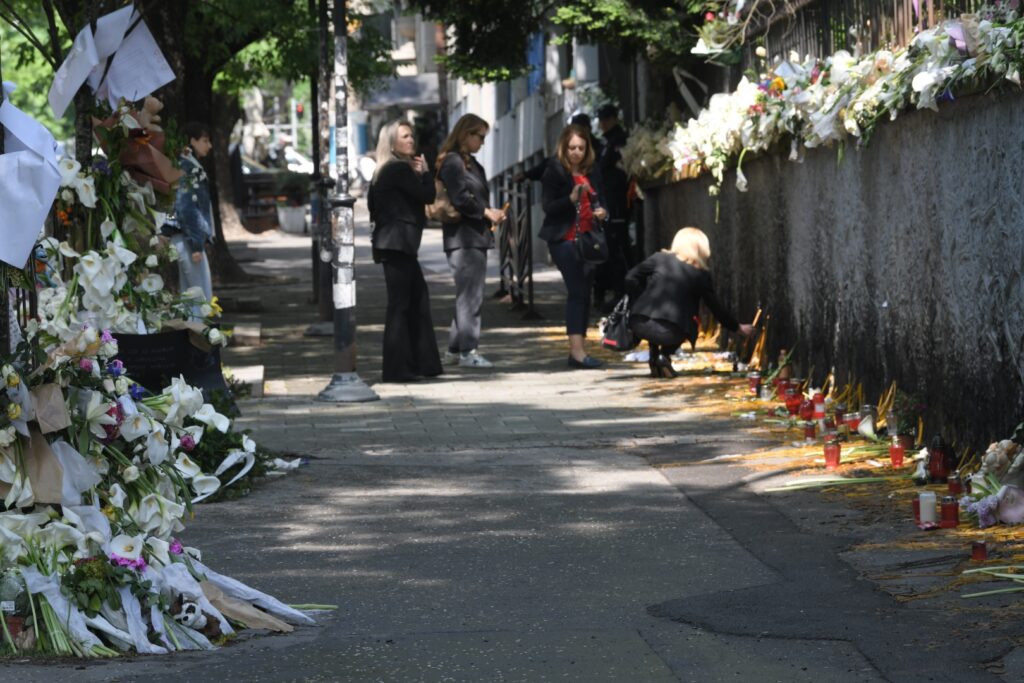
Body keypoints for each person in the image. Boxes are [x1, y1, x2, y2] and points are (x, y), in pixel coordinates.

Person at [367, 120, 443, 383]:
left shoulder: (383, 171)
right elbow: (427, 196)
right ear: (392, 143)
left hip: (397, 245)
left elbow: (373, 206)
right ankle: (399, 369)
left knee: (416, 300)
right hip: (397, 244)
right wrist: (425, 173)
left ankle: (420, 364)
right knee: (401, 305)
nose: (412, 140)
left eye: (412, 136)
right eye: (405, 136)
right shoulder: (398, 170)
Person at [625, 227, 755, 378]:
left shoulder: (658, 258)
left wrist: (642, 299)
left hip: (638, 324)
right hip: (670, 333)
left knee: (658, 320)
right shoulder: (699, 274)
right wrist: (737, 327)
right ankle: (664, 355)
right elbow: (715, 308)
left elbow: (630, 278)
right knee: (691, 321)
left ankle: (655, 357)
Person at [436, 114, 506, 368]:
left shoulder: (469, 163)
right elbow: (460, 197)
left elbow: (472, 197)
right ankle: (469, 351)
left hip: (473, 236)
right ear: (466, 134)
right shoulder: (454, 162)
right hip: (463, 238)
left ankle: (456, 349)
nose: (482, 142)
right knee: (471, 297)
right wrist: (487, 212)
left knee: (467, 295)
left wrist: (490, 213)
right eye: (480, 136)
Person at [539, 123, 608, 370]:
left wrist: (602, 212)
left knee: (585, 293)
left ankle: (578, 349)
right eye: (571, 148)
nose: (576, 152)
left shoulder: (593, 170)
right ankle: (577, 352)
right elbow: (548, 207)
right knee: (577, 292)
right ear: (564, 148)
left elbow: (603, 201)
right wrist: (571, 199)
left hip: (589, 240)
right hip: (564, 240)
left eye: (580, 147)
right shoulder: (554, 170)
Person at [170, 122, 214, 314]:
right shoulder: (188, 168)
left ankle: (196, 337)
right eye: (205, 140)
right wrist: (196, 243)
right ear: (192, 141)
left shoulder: (189, 166)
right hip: (188, 238)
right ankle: (199, 339)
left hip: (186, 236)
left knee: (191, 296)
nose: (209, 145)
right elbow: (186, 206)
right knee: (198, 297)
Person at [593, 104, 630, 311]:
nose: (603, 123)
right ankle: (613, 291)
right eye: (601, 119)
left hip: (615, 201)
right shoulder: (607, 142)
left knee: (617, 249)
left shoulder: (619, 141)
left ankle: (620, 292)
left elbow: (616, 173)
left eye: (606, 118)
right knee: (610, 248)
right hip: (607, 200)